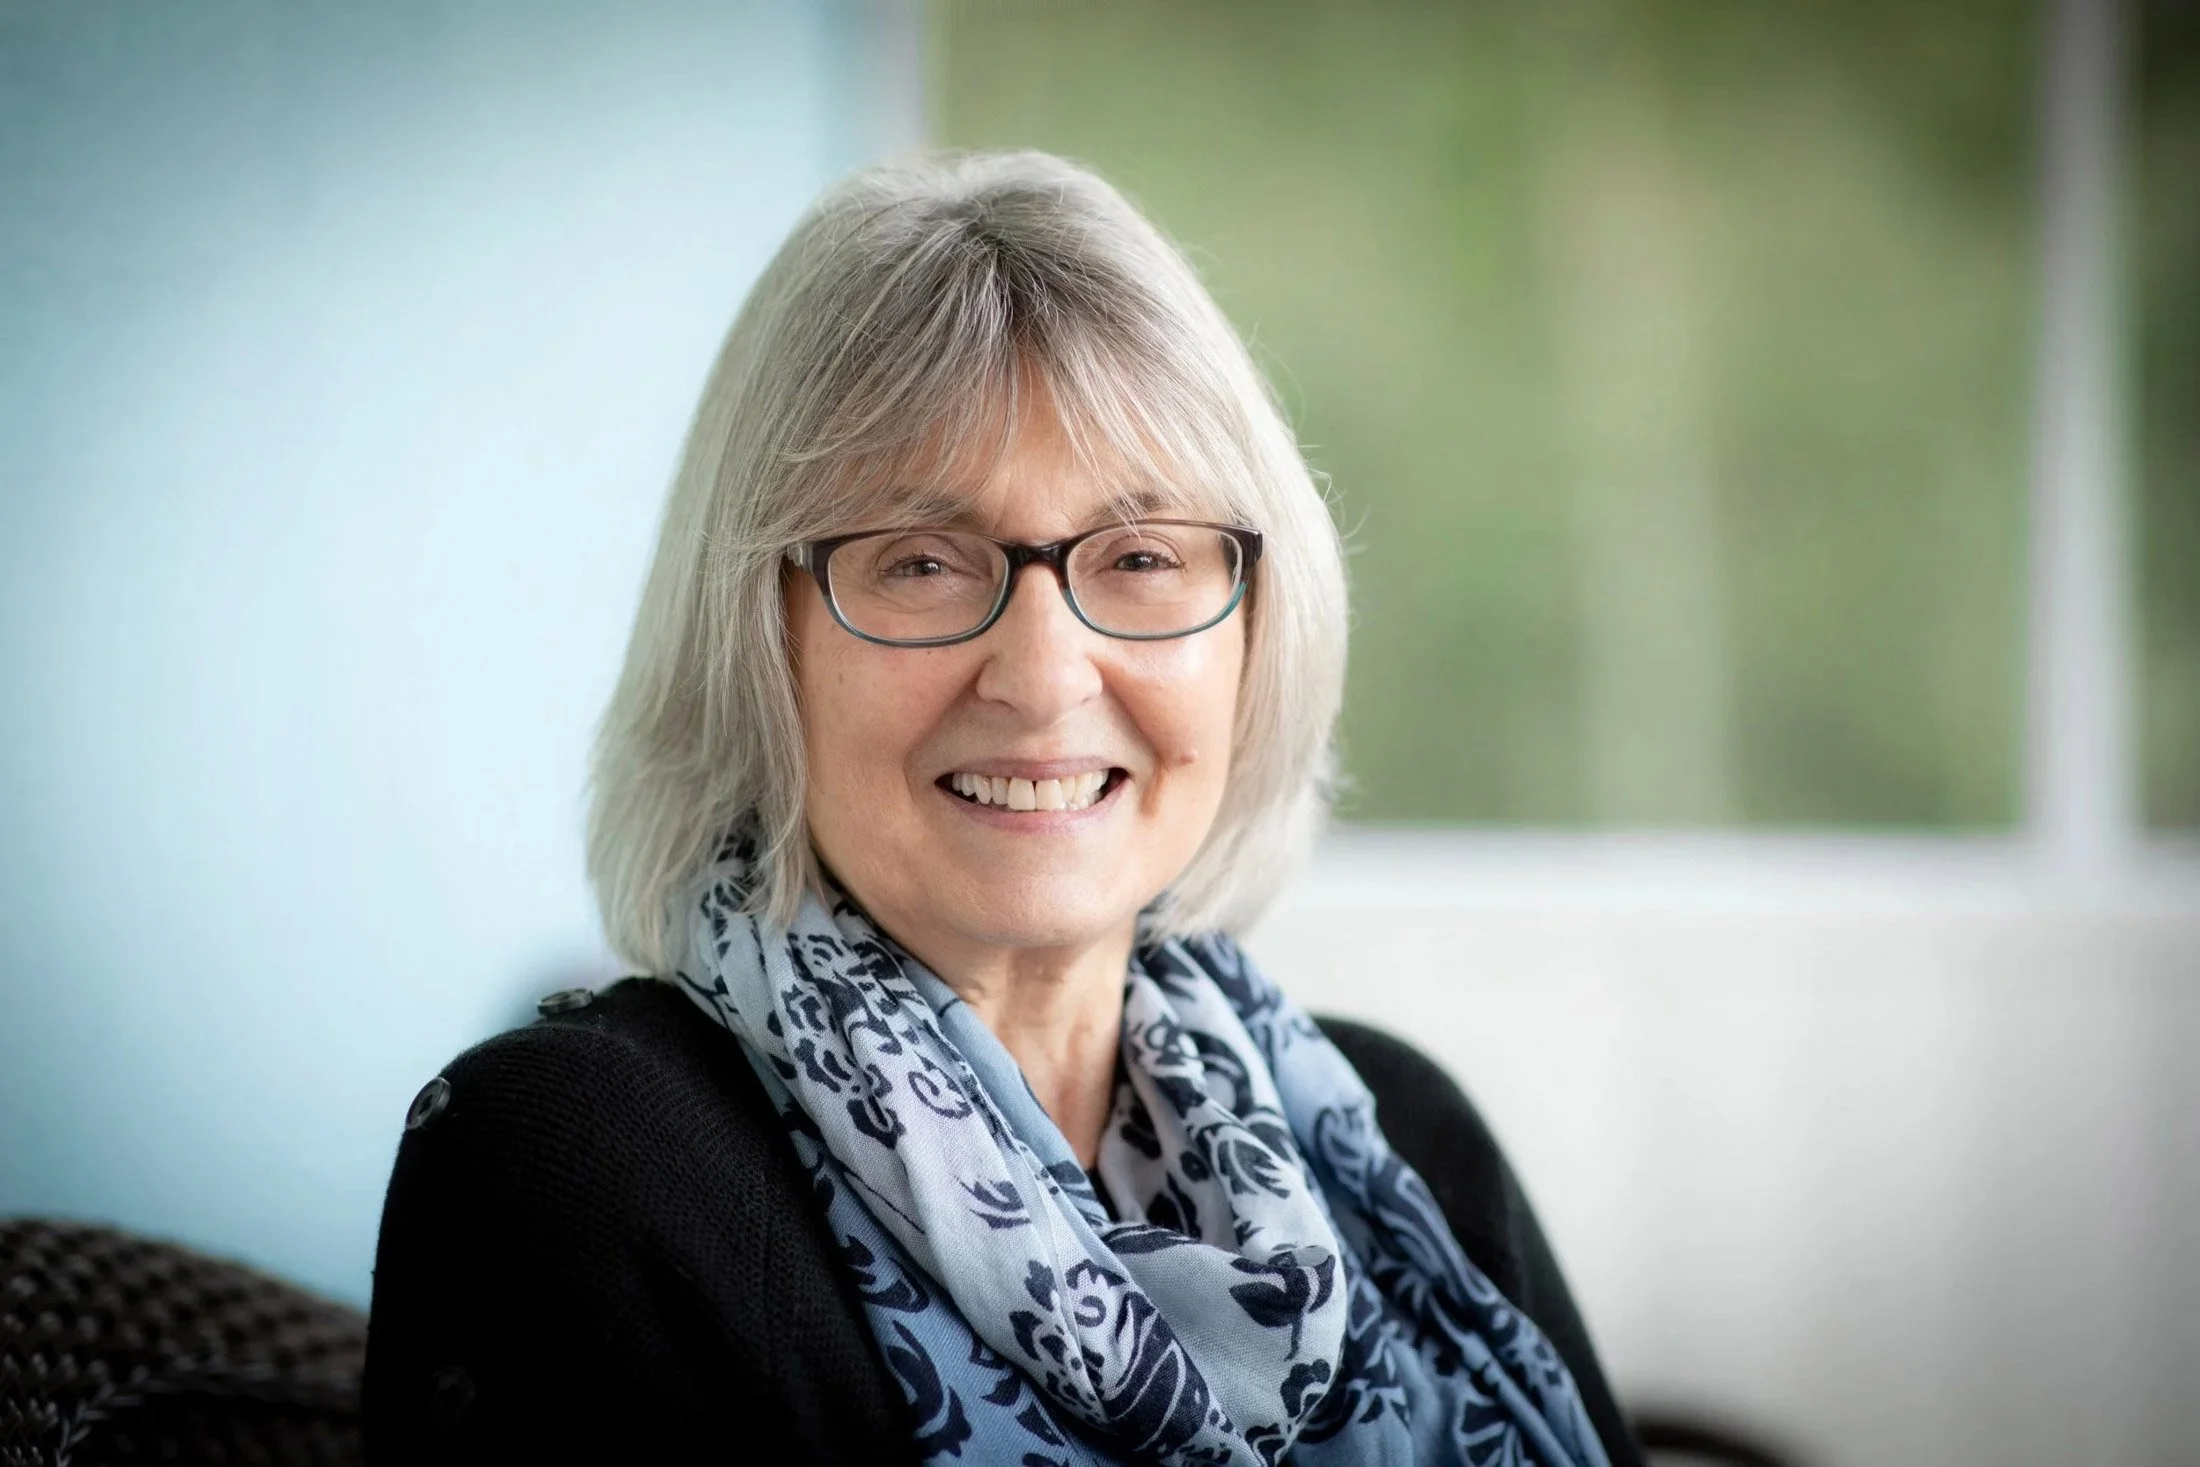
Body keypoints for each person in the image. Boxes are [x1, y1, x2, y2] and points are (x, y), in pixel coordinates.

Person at [363, 150, 1643, 1467]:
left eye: (1142, 556)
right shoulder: (583, 1170)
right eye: (919, 561)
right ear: (756, 633)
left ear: (1259, 626)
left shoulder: (1405, 1135)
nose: (1041, 679)